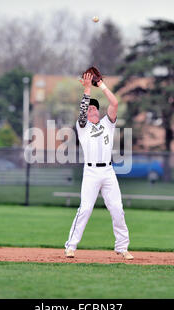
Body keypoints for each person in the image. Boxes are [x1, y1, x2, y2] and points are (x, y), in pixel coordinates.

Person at [64, 72, 134, 260]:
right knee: (85, 209)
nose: (91, 110)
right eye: (89, 109)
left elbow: (115, 103)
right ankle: (71, 246)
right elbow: (81, 111)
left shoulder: (107, 124)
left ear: (98, 111)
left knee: (117, 209)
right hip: (91, 172)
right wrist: (87, 89)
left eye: (94, 108)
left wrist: (101, 84)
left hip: (108, 171)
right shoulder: (83, 127)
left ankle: (122, 247)